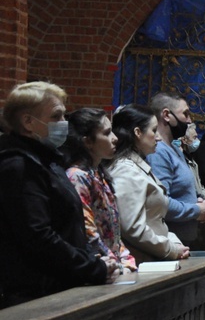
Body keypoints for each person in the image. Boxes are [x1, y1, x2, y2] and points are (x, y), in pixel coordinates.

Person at [0, 82, 119, 308]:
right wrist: (92, 268)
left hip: (59, 285)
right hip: (35, 294)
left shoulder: (46, 160)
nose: (64, 124)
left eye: (64, 115)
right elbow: (38, 237)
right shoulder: (18, 165)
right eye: (56, 116)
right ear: (28, 122)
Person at [109, 104, 190, 263]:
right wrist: (170, 248)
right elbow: (132, 227)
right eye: (154, 131)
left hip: (153, 255)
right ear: (138, 133)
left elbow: (155, 220)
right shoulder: (126, 170)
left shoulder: (137, 165)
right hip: (141, 259)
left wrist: (173, 241)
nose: (158, 137)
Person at [64, 108, 137, 274]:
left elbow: (114, 232)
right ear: (88, 141)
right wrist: (114, 265)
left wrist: (126, 259)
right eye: (107, 133)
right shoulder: (77, 177)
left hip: (116, 265)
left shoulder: (99, 173)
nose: (115, 139)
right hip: (101, 266)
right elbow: (89, 232)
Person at [146, 93, 205, 245]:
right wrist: (197, 210)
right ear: (166, 115)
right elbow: (161, 202)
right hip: (172, 239)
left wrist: (199, 202)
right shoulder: (158, 152)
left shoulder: (175, 149)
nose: (189, 120)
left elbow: (183, 190)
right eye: (185, 114)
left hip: (186, 236)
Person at [179, 124, 205, 199]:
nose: (197, 140)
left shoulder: (192, 160)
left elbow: (200, 188)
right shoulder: (181, 161)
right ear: (184, 140)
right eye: (194, 137)